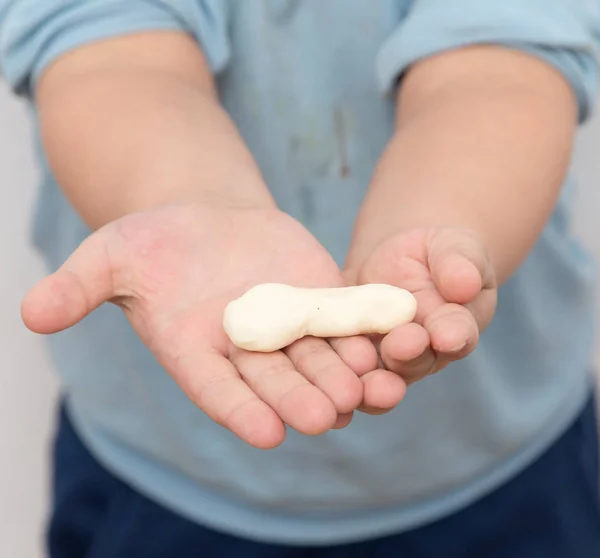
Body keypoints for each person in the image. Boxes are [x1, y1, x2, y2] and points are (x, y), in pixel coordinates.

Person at [2, 0, 600, 556]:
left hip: (503, 468)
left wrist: (441, 223)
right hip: (158, 471)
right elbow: (107, 50)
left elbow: (500, 66)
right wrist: (193, 200)